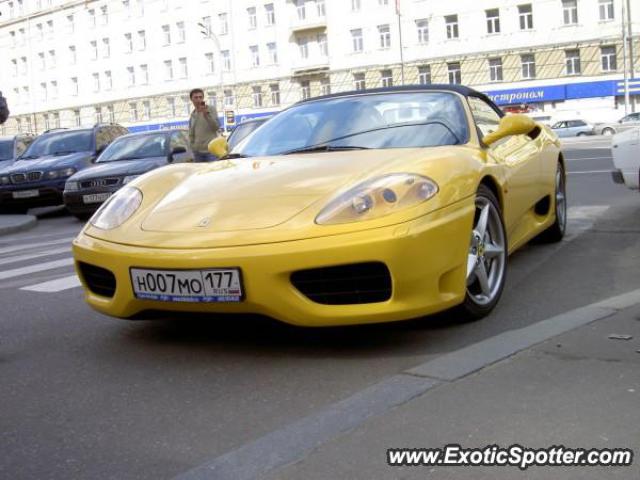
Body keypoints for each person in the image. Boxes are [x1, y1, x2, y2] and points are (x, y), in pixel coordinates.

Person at [188, 88, 220, 162]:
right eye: (196, 97)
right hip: (198, 153)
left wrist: (206, 115)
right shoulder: (193, 114)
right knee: (200, 173)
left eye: (200, 97)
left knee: (212, 172)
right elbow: (191, 134)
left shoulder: (211, 109)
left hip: (211, 151)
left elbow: (216, 127)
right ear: (191, 99)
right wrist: (192, 148)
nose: (198, 100)